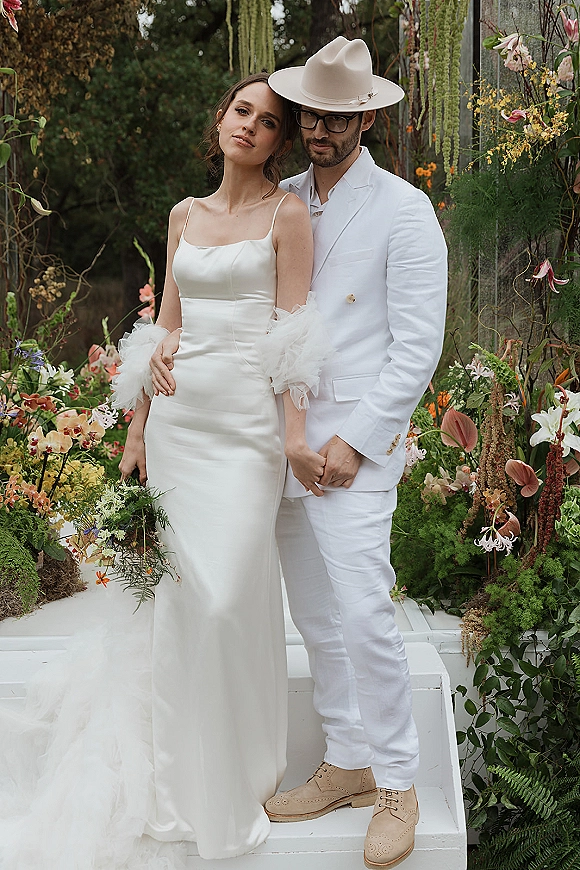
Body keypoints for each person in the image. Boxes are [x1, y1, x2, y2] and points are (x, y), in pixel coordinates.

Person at [0, 74, 332, 868]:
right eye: (241, 111)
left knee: (227, 598)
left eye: (268, 121)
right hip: (181, 427)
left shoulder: (287, 216)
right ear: (219, 119)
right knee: (184, 600)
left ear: (281, 142)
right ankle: (180, 769)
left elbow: (294, 333)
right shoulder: (185, 214)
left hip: (248, 432)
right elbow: (164, 328)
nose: (250, 127)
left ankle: (243, 763)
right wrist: (138, 428)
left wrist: (292, 437)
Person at [151, 35, 448, 870]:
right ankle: (349, 757)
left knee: (362, 611)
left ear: (367, 118)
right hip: (267, 441)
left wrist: (356, 440)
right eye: (312, 113)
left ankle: (397, 782)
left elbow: (418, 343)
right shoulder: (279, 198)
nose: (322, 127)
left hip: (349, 444)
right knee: (314, 615)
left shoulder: (404, 211)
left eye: (340, 115)